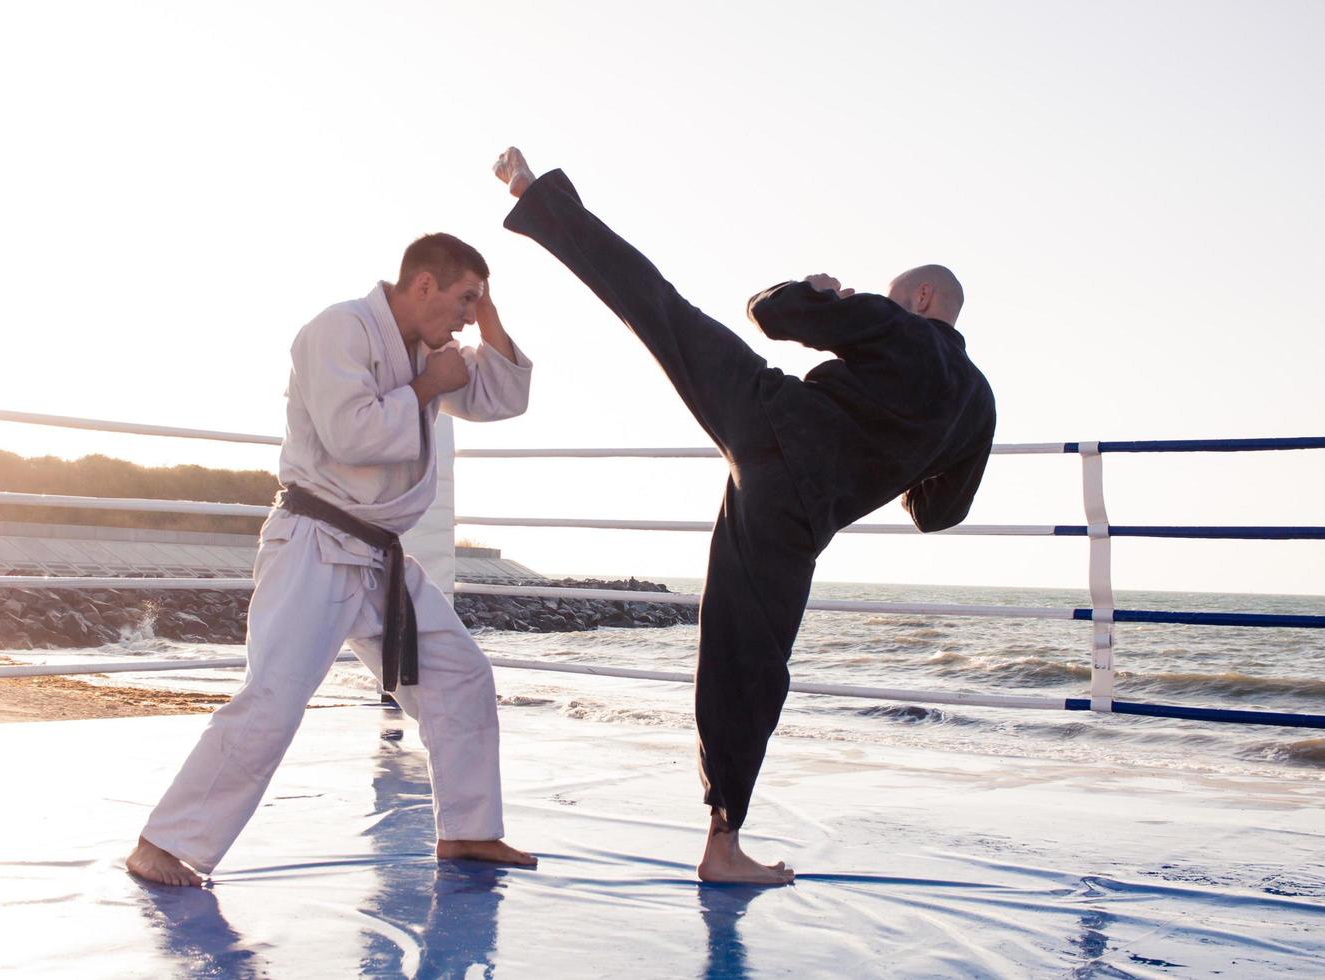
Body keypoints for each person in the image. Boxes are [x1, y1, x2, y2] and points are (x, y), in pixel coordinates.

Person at [493, 148, 995, 885]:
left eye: (890, 296)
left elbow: (769, 312)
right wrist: (912, 455)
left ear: (920, 298)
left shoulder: (895, 326)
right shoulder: (978, 406)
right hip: (797, 514)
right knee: (750, 664)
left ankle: (537, 199)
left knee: (655, 306)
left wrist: (819, 292)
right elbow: (936, 515)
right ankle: (721, 842)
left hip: (766, 418)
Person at [127, 233, 537, 887]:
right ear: (423, 284)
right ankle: (162, 844)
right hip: (315, 547)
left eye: (475, 306)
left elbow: (503, 398)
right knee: (275, 699)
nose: (466, 318)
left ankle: (468, 831)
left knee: (460, 675)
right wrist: (430, 385)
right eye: (462, 299)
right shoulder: (337, 330)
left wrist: (485, 309)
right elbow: (353, 435)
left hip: (377, 556)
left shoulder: (426, 348)